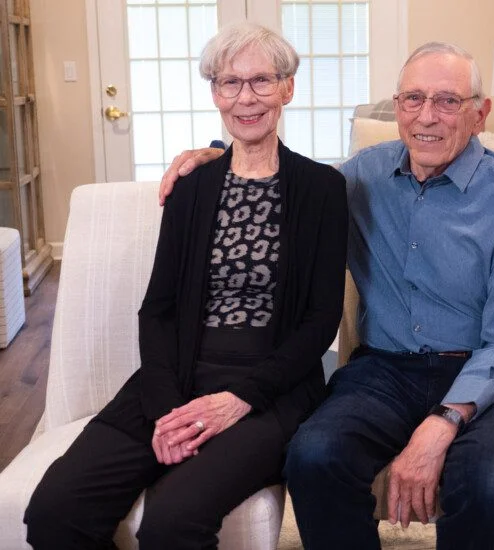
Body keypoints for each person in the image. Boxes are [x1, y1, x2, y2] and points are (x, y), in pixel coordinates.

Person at [158, 42, 494, 550]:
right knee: (313, 456)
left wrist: (444, 423)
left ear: (480, 113)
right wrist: (219, 154)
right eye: (412, 99)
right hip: (385, 371)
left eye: (448, 101)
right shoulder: (360, 176)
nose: (426, 116)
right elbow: (290, 185)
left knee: (490, 486)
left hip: (487, 377)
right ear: (396, 107)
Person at [24, 22, 347, 550]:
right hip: (175, 374)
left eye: (262, 81)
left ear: (288, 88)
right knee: (55, 511)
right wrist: (166, 408)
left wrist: (239, 399)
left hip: (269, 390)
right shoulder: (192, 186)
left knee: (173, 521)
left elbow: (321, 320)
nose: (246, 98)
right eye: (229, 83)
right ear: (214, 92)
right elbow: (158, 310)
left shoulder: (323, 189)